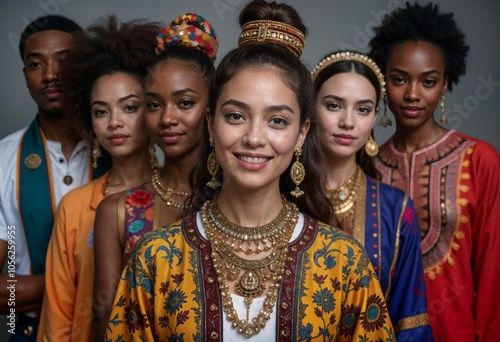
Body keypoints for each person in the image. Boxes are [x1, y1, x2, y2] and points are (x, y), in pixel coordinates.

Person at [105, 1, 395, 340]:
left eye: (277, 121)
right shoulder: (156, 259)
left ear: (301, 133)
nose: (254, 138)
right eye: (236, 116)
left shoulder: (343, 262)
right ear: (211, 124)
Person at [368, 3, 500, 341]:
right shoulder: (367, 167)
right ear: (383, 82)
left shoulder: (479, 160)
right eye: (399, 79)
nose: (413, 94)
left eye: (428, 81)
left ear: (445, 85)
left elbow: (494, 275)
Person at [92, 13, 218, 341]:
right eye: (153, 104)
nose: (167, 118)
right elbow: (107, 317)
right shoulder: (117, 211)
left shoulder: (239, 201)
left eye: (185, 103)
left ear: (212, 109)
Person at [36, 16, 158, 341]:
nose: (114, 122)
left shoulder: (184, 199)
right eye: (101, 111)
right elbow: (58, 317)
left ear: (155, 109)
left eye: (129, 107)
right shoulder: (75, 207)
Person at [311, 50, 432, 341]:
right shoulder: (283, 195)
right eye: (334, 106)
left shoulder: (395, 208)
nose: (348, 122)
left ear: (376, 117)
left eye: (362, 109)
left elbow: (410, 320)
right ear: (310, 108)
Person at [0, 15, 108, 341]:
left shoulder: (123, 151)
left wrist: (34, 286)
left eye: (64, 61)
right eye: (36, 64)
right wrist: (92, 283)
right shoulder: (4, 158)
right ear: (25, 75)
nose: (50, 75)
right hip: (30, 332)